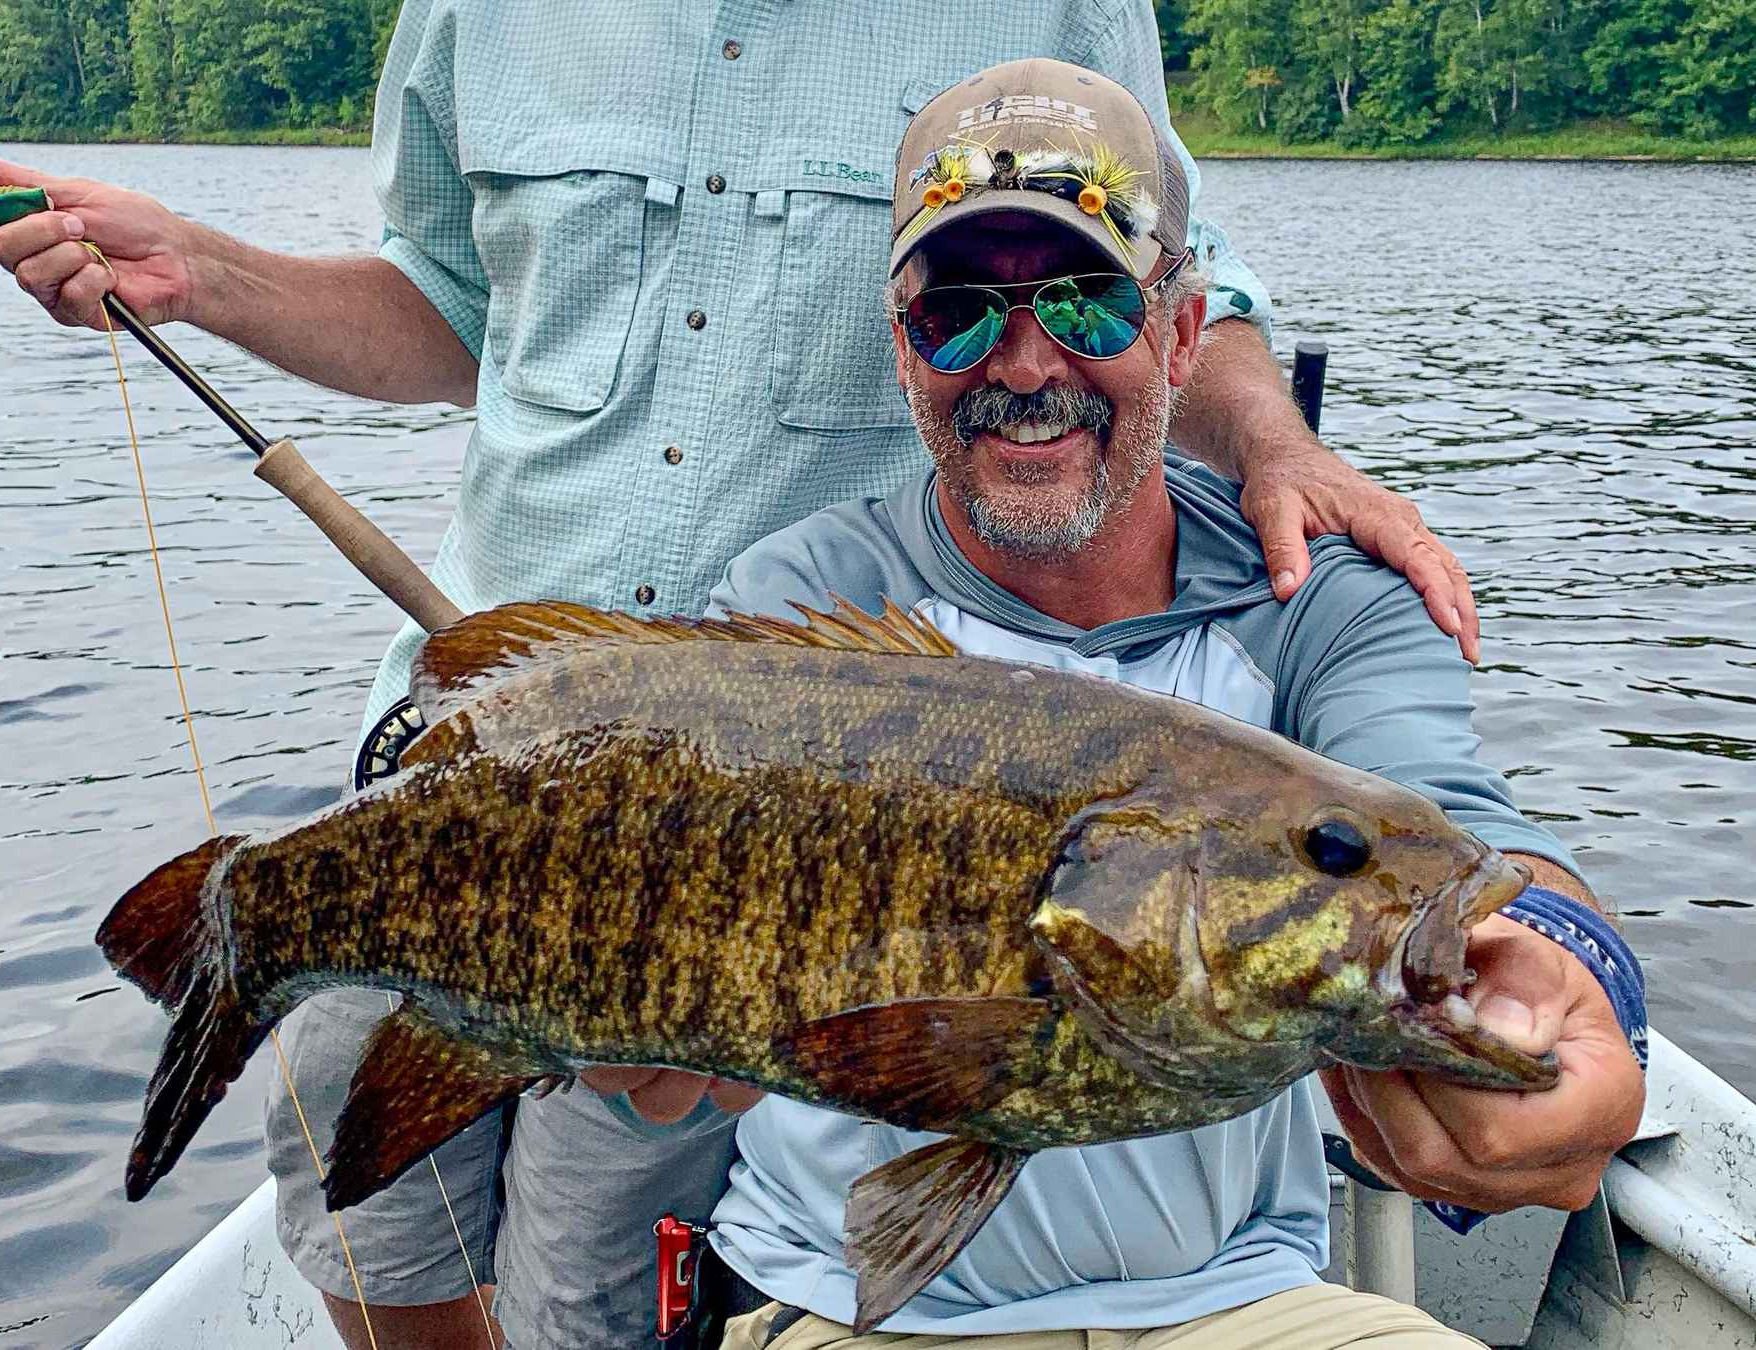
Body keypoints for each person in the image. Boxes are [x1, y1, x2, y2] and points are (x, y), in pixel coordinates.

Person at [0, 9, 1486, 1349]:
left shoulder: (1063, 19)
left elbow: (1149, 284)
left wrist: (1281, 446)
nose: (1013, 347)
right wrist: (206, 275)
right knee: (374, 1229)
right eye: (952, 313)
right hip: (493, 734)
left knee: (593, 1278)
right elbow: (447, 305)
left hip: (825, 785)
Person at [634, 56, 1648, 1350]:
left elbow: (1452, 816)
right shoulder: (812, 600)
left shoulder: (1319, 599)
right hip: (850, 1306)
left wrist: (1572, 974)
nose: (1024, 358)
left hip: (1247, 1305)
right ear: (904, 354)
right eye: (957, 312)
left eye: (1086, 303)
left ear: (1180, 331)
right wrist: (639, 1055)